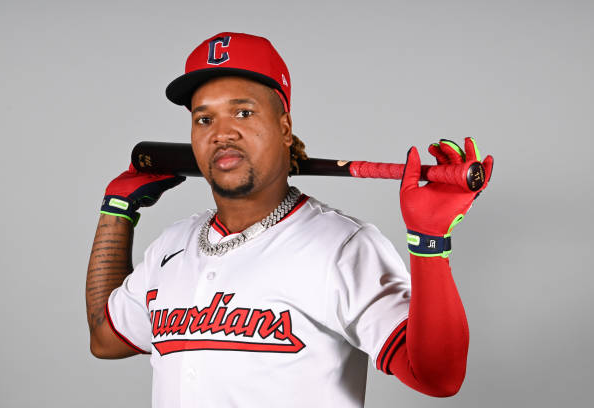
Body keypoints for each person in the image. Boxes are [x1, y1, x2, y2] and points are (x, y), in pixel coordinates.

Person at [86, 32, 493, 408]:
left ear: (284, 128)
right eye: (204, 119)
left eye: (243, 112)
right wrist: (116, 212)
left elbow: (438, 377)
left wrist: (429, 242)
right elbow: (106, 339)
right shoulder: (171, 246)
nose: (222, 133)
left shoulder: (343, 246)